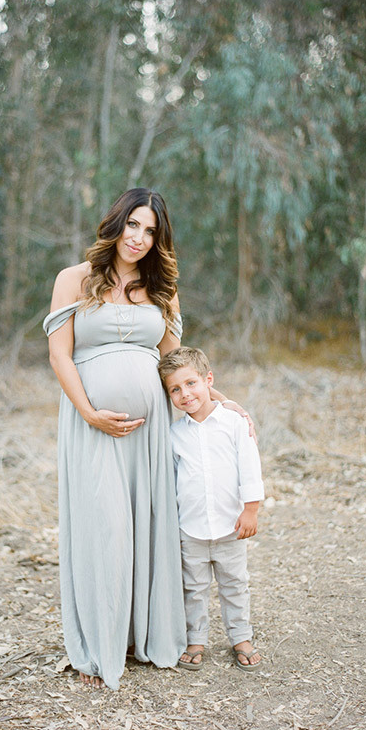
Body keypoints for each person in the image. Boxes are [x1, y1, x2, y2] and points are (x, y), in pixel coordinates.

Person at [43, 189, 253, 690]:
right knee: (106, 527)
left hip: (152, 433)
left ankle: (140, 635)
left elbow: (176, 364)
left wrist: (220, 398)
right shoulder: (73, 280)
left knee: (149, 527)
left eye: (151, 231)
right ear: (115, 223)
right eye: (133, 225)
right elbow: (59, 357)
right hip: (91, 427)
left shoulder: (161, 288)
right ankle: (98, 647)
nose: (139, 238)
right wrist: (91, 413)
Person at [157, 346, 264, 672]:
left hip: (231, 525)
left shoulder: (233, 423)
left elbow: (250, 467)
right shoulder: (175, 434)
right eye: (175, 389)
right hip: (192, 528)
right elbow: (173, 482)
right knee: (194, 588)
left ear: (208, 380)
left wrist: (251, 510)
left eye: (191, 384)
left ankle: (241, 637)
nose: (185, 394)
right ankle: (196, 639)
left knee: (234, 584)